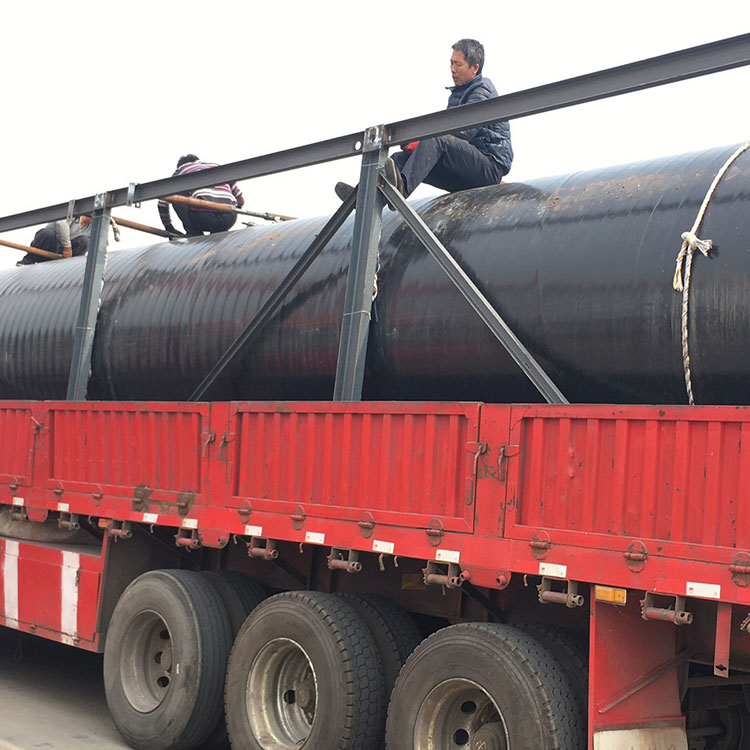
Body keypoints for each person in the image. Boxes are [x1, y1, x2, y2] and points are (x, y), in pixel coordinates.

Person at [158, 155, 245, 237]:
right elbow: (240, 200)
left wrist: (169, 227)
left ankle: (193, 231)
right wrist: (230, 212)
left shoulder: (181, 170)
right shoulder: (217, 167)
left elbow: (162, 202)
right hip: (228, 220)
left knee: (176, 195)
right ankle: (218, 232)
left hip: (203, 218)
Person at [16, 216, 92, 266]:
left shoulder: (93, 227)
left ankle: (69, 267)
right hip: (50, 245)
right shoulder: (75, 211)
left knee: (84, 241)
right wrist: (67, 248)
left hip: (66, 257)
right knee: (47, 233)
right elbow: (61, 224)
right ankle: (29, 259)